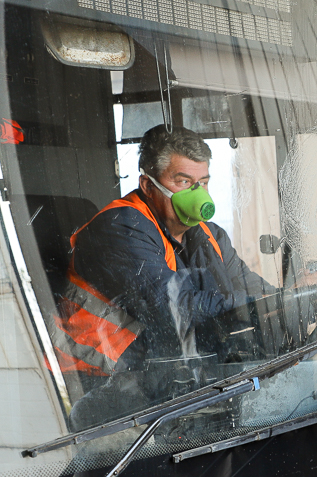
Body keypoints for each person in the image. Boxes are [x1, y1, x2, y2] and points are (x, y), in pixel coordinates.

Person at [51, 126, 274, 383]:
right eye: (184, 182)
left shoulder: (211, 235)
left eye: (203, 182)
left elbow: (252, 289)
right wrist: (257, 306)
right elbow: (174, 309)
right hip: (93, 385)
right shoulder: (120, 227)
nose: (199, 194)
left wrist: (295, 300)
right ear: (147, 185)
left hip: (158, 382)